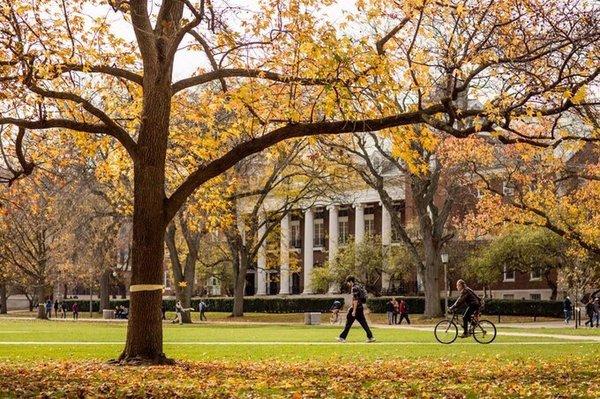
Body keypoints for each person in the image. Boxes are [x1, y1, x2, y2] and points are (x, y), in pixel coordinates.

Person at [338, 276, 375, 343]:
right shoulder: (359, 286)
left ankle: (342, 337)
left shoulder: (354, 288)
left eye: (348, 282)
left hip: (356, 308)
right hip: (360, 307)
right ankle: (370, 337)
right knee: (363, 323)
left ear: (351, 281)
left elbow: (355, 300)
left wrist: (353, 310)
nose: (348, 284)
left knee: (349, 322)